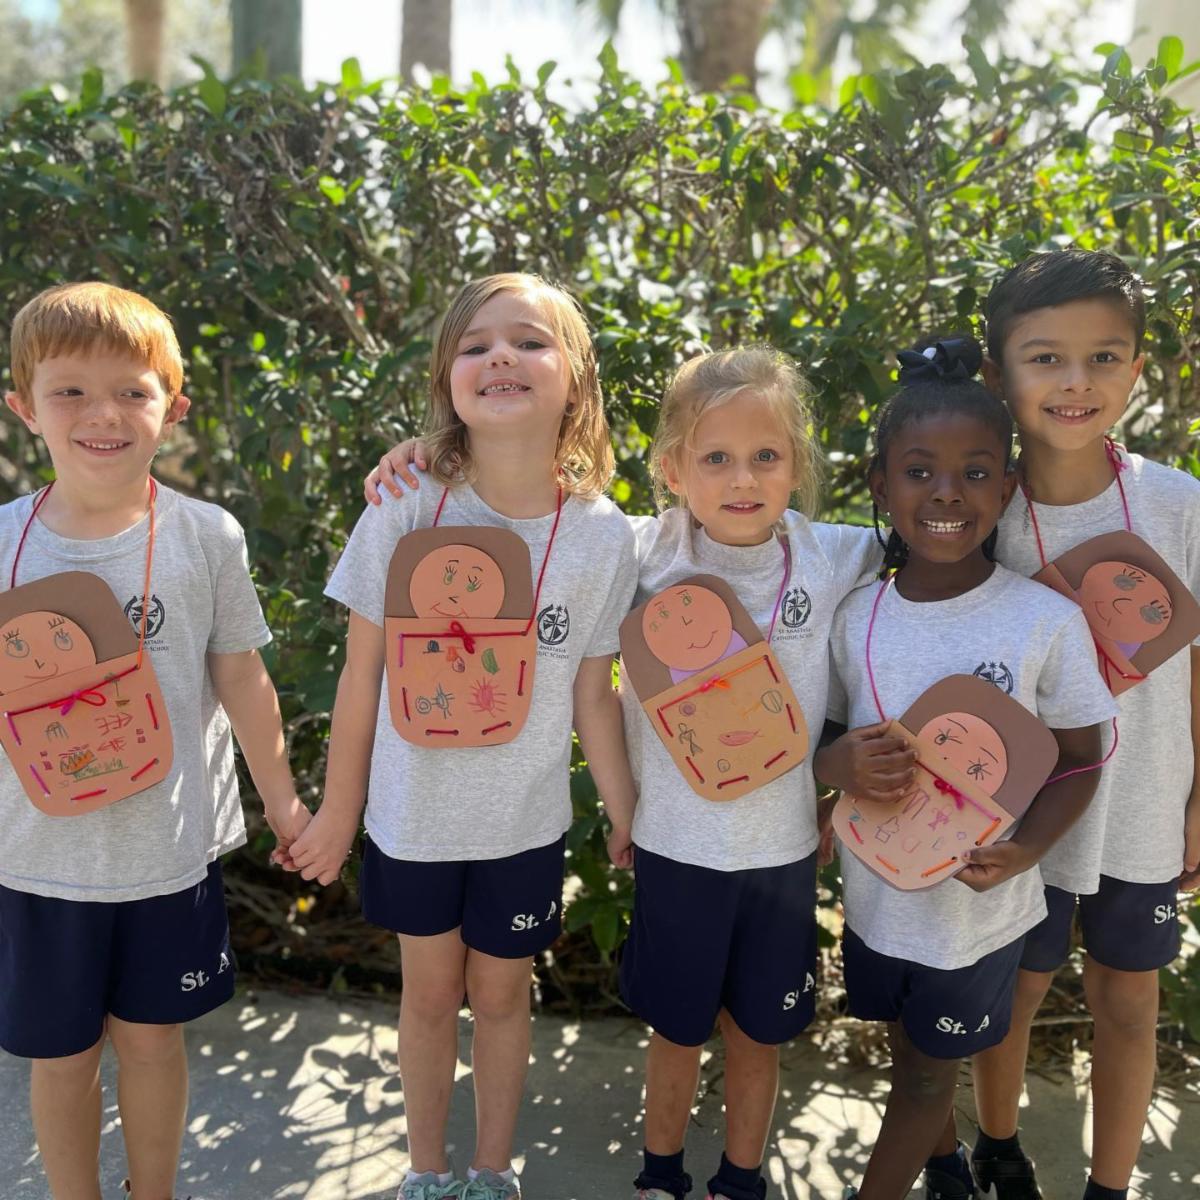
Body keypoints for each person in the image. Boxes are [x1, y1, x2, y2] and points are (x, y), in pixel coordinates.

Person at [361, 345, 890, 1200]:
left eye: (767, 455)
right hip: (674, 847)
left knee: (759, 1036)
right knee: (676, 1031)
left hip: (785, 853)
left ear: (799, 465)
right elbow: (533, 510)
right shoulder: (637, 550)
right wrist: (432, 452)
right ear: (673, 470)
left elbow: (938, 537)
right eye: (715, 458)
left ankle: (742, 1180)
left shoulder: (837, 555)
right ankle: (660, 1175)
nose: (743, 478)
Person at [288, 273, 638, 1200]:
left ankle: (491, 1172)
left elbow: (597, 694)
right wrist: (337, 813)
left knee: (504, 997)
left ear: (576, 376)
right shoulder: (406, 503)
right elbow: (362, 675)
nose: (501, 358)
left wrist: (625, 811)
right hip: (415, 824)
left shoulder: (605, 536)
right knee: (431, 997)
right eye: (475, 346)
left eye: (529, 341)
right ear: (448, 377)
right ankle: (426, 1172)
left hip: (523, 827)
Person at [0, 281, 308, 1200]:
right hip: (36, 860)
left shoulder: (206, 536)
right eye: (69, 391)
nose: (102, 414)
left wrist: (286, 803)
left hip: (167, 857)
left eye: (131, 391)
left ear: (172, 408)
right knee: (61, 1057)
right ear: (23, 408)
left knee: (151, 1041)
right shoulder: (3, 544)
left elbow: (241, 676)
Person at [819, 337, 1116, 1200]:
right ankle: (946, 1169)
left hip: (974, 918)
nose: (947, 493)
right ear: (880, 485)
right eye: (919, 472)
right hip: (877, 903)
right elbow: (827, 740)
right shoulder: (855, 615)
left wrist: (1028, 853)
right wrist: (832, 764)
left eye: (976, 473)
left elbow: (1080, 758)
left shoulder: (1040, 621)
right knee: (909, 1052)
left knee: (923, 1077)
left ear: (1008, 489)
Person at [955, 250, 1200, 1200]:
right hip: (1028, 814)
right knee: (1014, 989)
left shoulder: (1179, 504)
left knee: (1128, 999)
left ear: (1136, 368)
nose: (1075, 381)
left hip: (1143, 806)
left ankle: (1110, 1185)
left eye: (1104, 357)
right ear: (998, 374)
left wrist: (1197, 801)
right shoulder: (980, 512)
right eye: (1046, 357)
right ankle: (999, 1146)